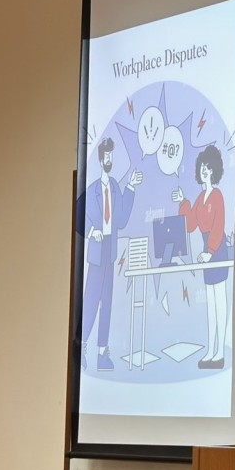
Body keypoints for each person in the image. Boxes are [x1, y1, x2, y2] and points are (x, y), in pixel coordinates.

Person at [81, 137, 142, 371]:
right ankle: (82, 347)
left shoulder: (115, 187)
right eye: (107, 156)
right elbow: (79, 215)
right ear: (100, 160)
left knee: (107, 302)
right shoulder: (92, 190)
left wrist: (131, 187)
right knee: (91, 301)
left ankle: (102, 352)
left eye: (111, 156)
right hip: (97, 251)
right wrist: (92, 231)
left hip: (110, 250)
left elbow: (122, 219)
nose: (110, 160)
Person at [172, 145, 229, 369]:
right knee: (210, 306)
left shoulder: (217, 195)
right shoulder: (200, 198)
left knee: (219, 301)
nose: (204, 170)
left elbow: (219, 226)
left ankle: (220, 352)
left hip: (218, 250)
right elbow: (190, 224)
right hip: (207, 252)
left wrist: (210, 252)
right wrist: (183, 202)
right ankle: (210, 350)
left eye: (208, 166)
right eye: (202, 166)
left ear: (214, 170)